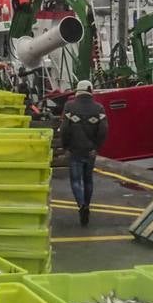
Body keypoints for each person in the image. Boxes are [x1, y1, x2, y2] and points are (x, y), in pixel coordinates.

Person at [59, 79, 108, 226]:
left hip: (75, 150)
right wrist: (96, 147)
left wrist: (65, 146)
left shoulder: (69, 106)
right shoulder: (99, 108)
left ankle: (81, 205)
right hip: (90, 151)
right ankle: (87, 204)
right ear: (90, 90)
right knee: (88, 180)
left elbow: (65, 129)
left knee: (75, 180)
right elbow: (104, 129)